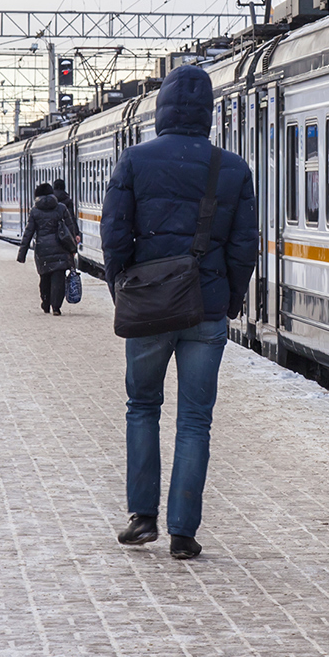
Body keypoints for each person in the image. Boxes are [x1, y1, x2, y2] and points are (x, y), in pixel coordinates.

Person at [102, 64, 258, 561]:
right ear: (209, 112)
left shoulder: (134, 160)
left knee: (142, 407)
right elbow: (243, 247)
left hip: (148, 307)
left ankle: (141, 517)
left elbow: (113, 236)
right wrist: (229, 301)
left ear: (162, 108)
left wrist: (122, 289)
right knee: (195, 420)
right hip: (206, 311)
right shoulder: (231, 169)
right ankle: (183, 533)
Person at [18, 182, 77, 314]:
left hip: (42, 249)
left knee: (45, 277)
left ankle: (45, 302)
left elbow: (28, 233)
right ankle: (56, 307)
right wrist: (73, 249)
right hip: (61, 248)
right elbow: (70, 228)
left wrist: (22, 254)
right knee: (59, 278)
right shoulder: (61, 208)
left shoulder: (35, 211)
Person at [51, 178, 83, 245]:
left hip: (51, 235)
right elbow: (71, 219)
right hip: (65, 235)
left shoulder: (48, 201)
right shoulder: (67, 200)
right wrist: (76, 234)